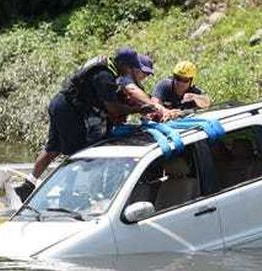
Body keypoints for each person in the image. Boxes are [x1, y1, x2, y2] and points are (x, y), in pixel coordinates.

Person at [14, 47, 165, 201]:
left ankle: (29, 184)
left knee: (54, 148)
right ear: (124, 65)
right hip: (69, 110)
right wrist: (138, 109)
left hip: (59, 103)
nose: (131, 72)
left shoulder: (107, 66)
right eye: (132, 68)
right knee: (78, 151)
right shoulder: (104, 75)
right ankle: (67, 193)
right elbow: (112, 108)